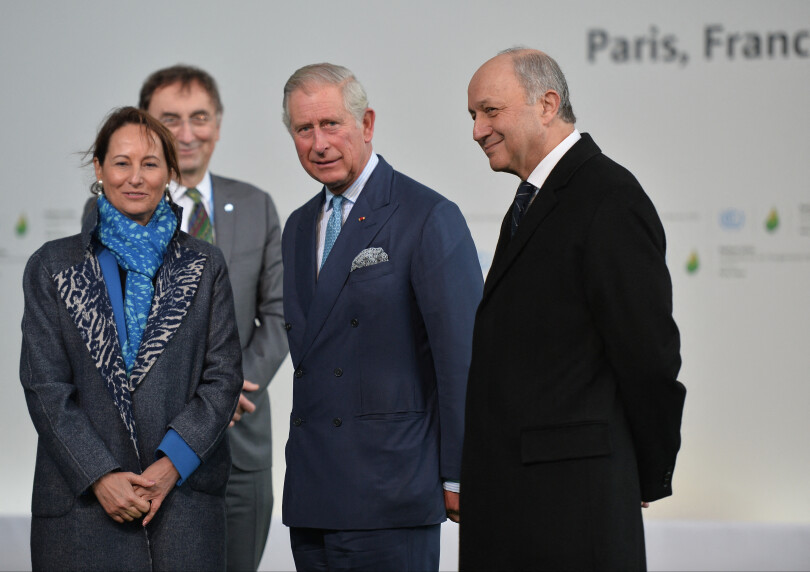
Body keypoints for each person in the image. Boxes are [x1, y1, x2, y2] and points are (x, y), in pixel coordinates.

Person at [460, 48, 687, 570]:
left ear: (547, 104)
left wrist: (646, 469)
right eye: (473, 115)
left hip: (570, 509)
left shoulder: (608, 196)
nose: (477, 130)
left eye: (490, 111)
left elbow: (649, 355)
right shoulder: (534, 201)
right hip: (519, 506)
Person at [21, 106, 243, 571]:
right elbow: (46, 387)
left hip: (181, 508)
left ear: (169, 173)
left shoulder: (204, 265)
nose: (135, 177)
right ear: (99, 168)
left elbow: (222, 379)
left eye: (150, 164)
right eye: (121, 162)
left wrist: (170, 466)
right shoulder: (53, 265)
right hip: (81, 509)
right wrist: (100, 475)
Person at [84, 65, 288, 571]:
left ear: (218, 123)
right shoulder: (107, 211)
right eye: (169, 119)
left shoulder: (257, 205)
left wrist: (236, 386)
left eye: (200, 117)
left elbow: (280, 312)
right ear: (145, 126)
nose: (187, 133)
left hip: (240, 436)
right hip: (144, 447)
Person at [280, 62, 482, 571]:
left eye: (331, 125)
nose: (319, 142)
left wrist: (460, 474)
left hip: (390, 491)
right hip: (313, 493)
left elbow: (463, 357)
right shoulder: (300, 226)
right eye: (304, 129)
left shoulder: (427, 215)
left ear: (366, 124)